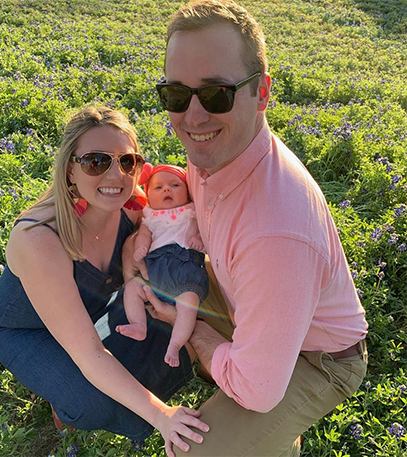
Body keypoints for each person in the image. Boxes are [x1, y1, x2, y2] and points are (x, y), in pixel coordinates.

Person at [139, 1, 369, 455]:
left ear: (261, 93)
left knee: (195, 452)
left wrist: (197, 330)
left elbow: (258, 391)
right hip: (254, 302)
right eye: (176, 95)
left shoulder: (277, 233)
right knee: (153, 278)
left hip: (320, 358)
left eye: (217, 93)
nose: (193, 118)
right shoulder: (215, 152)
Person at [0, 106, 209, 457]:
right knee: (93, 402)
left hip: (93, 311)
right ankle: (63, 403)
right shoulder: (40, 238)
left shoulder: (134, 208)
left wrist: (134, 254)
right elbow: (88, 353)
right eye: (96, 161)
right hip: (27, 330)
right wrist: (162, 415)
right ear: (70, 169)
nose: (116, 175)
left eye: (127, 161)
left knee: (165, 315)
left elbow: (178, 217)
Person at [116, 163, 209, 368]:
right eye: (158, 188)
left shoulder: (192, 212)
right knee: (132, 288)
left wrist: (200, 239)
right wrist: (140, 249)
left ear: (188, 192)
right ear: (149, 197)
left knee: (187, 305)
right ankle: (139, 325)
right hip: (155, 273)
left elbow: (209, 231)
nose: (166, 189)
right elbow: (143, 237)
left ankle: (175, 344)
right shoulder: (150, 218)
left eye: (175, 185)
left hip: (186, 273)